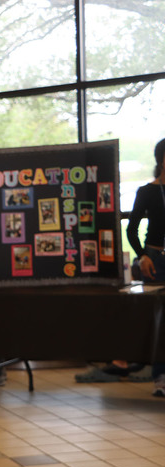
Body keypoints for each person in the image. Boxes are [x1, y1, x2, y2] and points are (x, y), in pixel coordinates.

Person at [76, 138, 165, 393]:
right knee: (156, 318)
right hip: (155, 259)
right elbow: (132, 230)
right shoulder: (147, 191)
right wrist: (142, 256)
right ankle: (159, 376)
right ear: (162, 160)